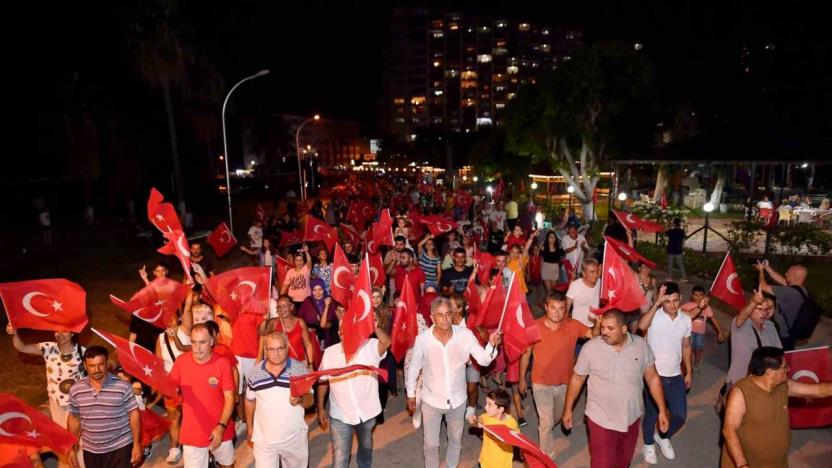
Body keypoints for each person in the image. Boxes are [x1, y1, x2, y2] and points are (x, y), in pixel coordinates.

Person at [563, 310, 669, 468]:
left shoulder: (641, 346)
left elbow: (652, 378)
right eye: (603, 327)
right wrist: (568, 409)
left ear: (624, 329)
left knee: (623, 462)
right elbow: (577, 379)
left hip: (631, 417)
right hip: (600, 419)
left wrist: (662, 409)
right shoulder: (590, 348)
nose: (604, 332)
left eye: (610, 328)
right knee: (602, 464)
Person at [406, 297, 503, 468]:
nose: (445, 319)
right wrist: (411, 394)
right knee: (430, 445)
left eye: (448, 314)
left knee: (455, 440)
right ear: (432, 317)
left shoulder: (465, 335)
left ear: (453, 314)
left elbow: (484, 360)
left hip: (458, 401)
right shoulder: (422, 340)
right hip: (431, 401)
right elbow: (413, 369)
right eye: (440, 315)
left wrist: (492, 345)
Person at [721, 346, 832, 468]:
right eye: (785, 367)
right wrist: (742, 465)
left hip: (776, 463)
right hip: (748, 463)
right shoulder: (740, 393)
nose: (788, 369)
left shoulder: (783, 386)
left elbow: (819, 390)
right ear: (770, 372)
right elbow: (729, 430)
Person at [519, 292, 597, 461]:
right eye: (553, 308)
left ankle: (546, 429)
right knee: (546, 422)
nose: (557, 312)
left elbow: (594, 335)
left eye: (561, 308)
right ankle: (547, 458)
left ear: (565, 309)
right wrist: (522, 379)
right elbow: (526, 354)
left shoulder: (573, 325)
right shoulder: (535, 327)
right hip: (540, 383)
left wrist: (598, 323)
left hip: (565, 383)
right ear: (546, 307)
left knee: (559, 415)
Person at [8, 325, 86, 467]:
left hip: (76, 406)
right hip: (56, 404)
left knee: (78, 442)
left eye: (65, 331)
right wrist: (15, 334)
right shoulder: (48, 348)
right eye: (57, 331)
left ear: (72, 333)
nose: (60, 334)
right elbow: (22, 347)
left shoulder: (82, 352)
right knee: (64, 441)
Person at [317, 322, 391, 468]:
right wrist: (320, 407)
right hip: (340, 415)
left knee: (365, 447)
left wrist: (374, 326)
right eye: (344, 333)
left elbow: (387, 342)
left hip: (367, 413)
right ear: (339, 334)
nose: (348, 336)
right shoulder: (330, 353)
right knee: (339, 459)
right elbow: (323, 381)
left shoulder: (370, 346)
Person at [637, 282, 692, 464]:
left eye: (675, 300)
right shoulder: (655, 316)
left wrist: (689, 372)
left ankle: (663, 436)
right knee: (652, 413)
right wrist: (656, 304)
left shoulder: (686, 320)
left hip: (675, 374)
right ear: (662, 301)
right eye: (667, 301)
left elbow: (686, 346)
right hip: (654, 375)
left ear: (680, 299)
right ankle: (648, 443)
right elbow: (642, 325)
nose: (672, 305)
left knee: (680, 415)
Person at [169, 323, 236, 468]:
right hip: (192, 432)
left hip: (220, 429)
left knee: (227, 465)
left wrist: (221, 426)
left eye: (202, 342)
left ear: (212, 341)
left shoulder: (222, 363)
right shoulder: (181, 362)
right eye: (193, 342)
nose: (197, 348)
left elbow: (230, 399)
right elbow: (170, 389)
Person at [245, 331, 313, 468]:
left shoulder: (299, 370)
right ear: (265, 350)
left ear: (287, 347)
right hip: (264, 440)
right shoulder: (255, 372)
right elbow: (249, 400)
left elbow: (310, 400)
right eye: (271, 349)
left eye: (280, 348)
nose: (276, 353)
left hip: (294, 438)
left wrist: (300, 400)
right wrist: (250, 427)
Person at [67, 346, 141, 468]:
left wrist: (137, 444)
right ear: (85, 366)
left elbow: (134, 414)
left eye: (101, 364)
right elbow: (74, 420)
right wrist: (71, 449)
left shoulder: (123, 386)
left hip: (121, 447)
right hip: (91, 451)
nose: (97, 369)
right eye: (92, 366)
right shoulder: (76, 390)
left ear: (107, 363)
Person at [725, 289, 781, 388]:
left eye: (767, 309)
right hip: (739, 382)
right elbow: (741, 316)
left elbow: (778, 352)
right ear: (751, 310)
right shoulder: (742, 325)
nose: (764, 313)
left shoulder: (770, 325)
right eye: (759, 309)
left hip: (762, 382)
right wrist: (754, 302)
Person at [155, 314, 192, 464]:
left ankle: (192, 446)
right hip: (171, 384)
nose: (169, 320)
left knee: (191, 416)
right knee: (174, 417)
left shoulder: (187, 331)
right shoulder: (160, 338)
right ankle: (174, 448)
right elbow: (158, 362)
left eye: (172, 317)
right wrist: (163, 383)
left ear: (179, 318)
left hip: (190, 383)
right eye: (166, 318)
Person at [755, 260, 810, 350]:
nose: (785, 273)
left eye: (788, 273)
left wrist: (760, 271)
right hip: (791, 333)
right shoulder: (801, 290)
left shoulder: (787, 292)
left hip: (783, 335)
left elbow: (763, 287)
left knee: (778, 357)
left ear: (793, 277)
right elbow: (782, 280)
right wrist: (767, 268)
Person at [467, 389, 519, 468]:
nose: (485, 407)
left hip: (504, 463)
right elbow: (480, 420)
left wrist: (521, 451)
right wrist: (475, 420)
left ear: (500, 409)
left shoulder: (511, 422)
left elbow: (518, 438)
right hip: (486, 461)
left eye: (489, 404)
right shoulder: (487, 417)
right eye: (486, 403)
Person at [260, 295, 316, 368]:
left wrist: (311, 364)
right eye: (279, 307)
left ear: (291, 307)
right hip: (280, 366)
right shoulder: (274, 322)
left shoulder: (300, 322)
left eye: (284, 306)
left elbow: (308, 344)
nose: (281, 309)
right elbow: (262, 331)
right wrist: (264, 321)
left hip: (299, 364)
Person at [681, 285, 725, 370]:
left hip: (700, 333)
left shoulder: (707, 307)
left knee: (698, 349)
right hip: (689, 332)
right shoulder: (687, 305)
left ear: (704, 296)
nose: (698, 297)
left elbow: (713, 319)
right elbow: (678, 313)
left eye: (700, 295)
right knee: (689, 349)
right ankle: (688, 364)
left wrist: (719, 331)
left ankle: (697, 362)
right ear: (692, 296)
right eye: (696, 295)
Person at [297, 278, 338, 348]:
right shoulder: (307, 302)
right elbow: (299, 320)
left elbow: (335, 320)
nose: (317, 293)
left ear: (324, 289)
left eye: (320, 290)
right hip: (311, 337)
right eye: (314, 290)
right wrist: (306, 328)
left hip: (328, 337)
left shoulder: (330, 301)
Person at [566, 258, 601, 328]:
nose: (596, 275)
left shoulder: (600, 282)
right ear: (584, 273)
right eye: (592, 272)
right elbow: (566, 307)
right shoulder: (575, 285)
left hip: (595, 326)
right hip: (578, 327)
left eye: (597, 272)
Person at [665, 218, 687, 282]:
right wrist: (682, 248)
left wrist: (669, 225)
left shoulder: (671, 231)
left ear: (674, 224)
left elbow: (666, 232)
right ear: (680, 224)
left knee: (670, 264)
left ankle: (669, 278)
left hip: (671, 249)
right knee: (681, 264)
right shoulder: (682, 231)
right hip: (678, 250)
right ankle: (684, 277)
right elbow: (683, 241)